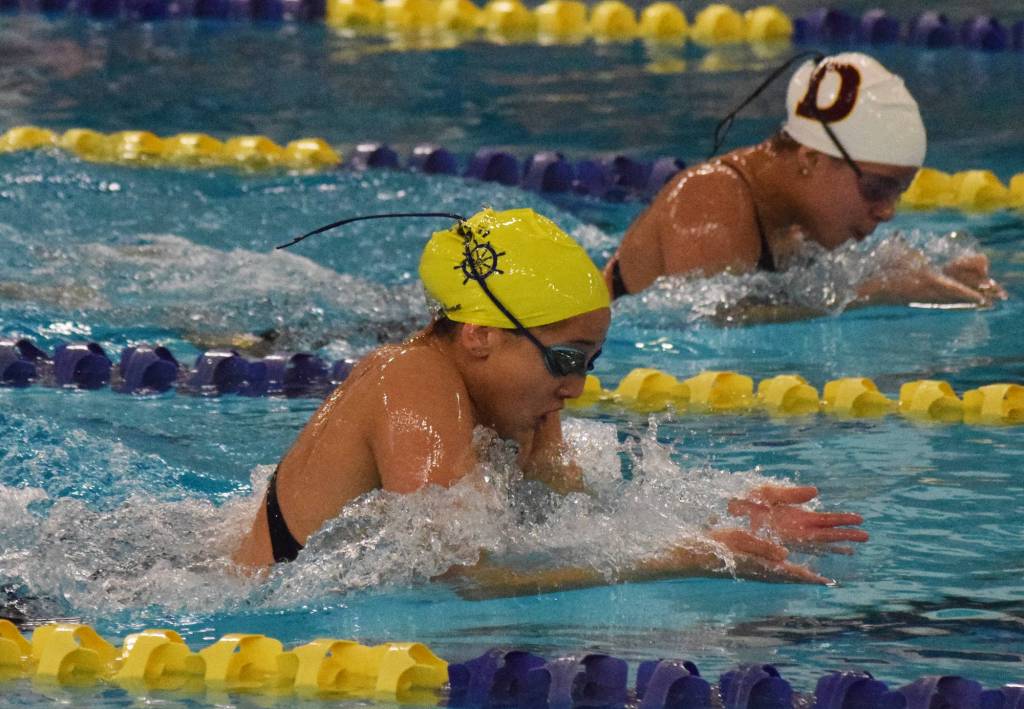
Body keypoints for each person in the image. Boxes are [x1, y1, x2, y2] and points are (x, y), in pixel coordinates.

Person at [234, 207, 868, 595]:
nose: (578, 386)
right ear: (481, 335)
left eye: (590, 364)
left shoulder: (507, 407)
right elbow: (462, 573)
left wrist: (721, 520)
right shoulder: (411, 378)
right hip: (251, 617)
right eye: (565, 360)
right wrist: (680, 559)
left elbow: (566, 527)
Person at [605, 52, 1006, 309]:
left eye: (900, 192)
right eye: (877, 188)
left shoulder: (797, 221)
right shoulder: (710, 198)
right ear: (811, 158)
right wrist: (881, 292)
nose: (887, 211)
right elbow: (710, 320)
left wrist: (937, 280)